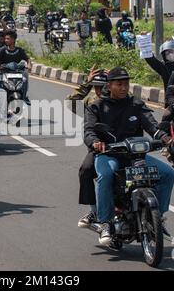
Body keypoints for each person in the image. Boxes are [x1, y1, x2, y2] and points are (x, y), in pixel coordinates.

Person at [84, 67, 174, 245]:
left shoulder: (135, 104)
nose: (124, 88)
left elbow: (151, 124)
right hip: (108, 154)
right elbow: (88, 131)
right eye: (119, 84)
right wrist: (95, 142)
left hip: (135, 155)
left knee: (168, 173)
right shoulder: (96, 106)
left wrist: (163, 137)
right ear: (109, 86)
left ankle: (158, 218)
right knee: (106, 175)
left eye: (126, 84)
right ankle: (105, 222)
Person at [66, 66, 109, 228]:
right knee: (85, 171)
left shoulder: (121, 98)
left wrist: (116, 78)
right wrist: (87, 83)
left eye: (103, 86)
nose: (99, 90)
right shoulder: (90, 103)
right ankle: (95, 211)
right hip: (98, 148)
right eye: (96, 87)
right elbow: (71, 103)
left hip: (124, 146)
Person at [0, 29, 32, 105]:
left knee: (25, 78)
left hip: (16, 71)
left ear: (13, 39)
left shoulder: (19, 50)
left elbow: (27, 59)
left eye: (8, 39)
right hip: (3, 70)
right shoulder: (3, 49)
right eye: (5, 39)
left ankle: (24, 96)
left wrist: (29, 65)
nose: (6, 40)